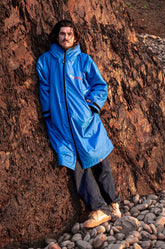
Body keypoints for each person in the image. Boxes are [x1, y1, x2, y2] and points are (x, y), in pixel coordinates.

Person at [36, 19, 121, 228]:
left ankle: (114, 203)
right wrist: (50, 115)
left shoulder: (83, 60)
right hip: (61, 126)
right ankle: (99, 209)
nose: (66, 38)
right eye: (62, 34)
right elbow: (45, 90)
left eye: (70, 34)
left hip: (86, 122)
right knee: (76, 167)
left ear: (75, 37)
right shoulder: (45, 61)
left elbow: (100, 85)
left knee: (100, 160)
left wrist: (91, 107)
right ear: (57, 36)